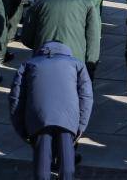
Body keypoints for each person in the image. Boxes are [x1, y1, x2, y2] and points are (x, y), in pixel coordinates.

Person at [9, 40, 93, 180]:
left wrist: (22, 130)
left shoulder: (28, 64)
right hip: (68, 117)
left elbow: (15, 98)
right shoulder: (77, 64)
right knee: (67, 160)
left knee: (41, 160)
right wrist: (80, 127)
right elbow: (86, 97)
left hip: (39, 117)